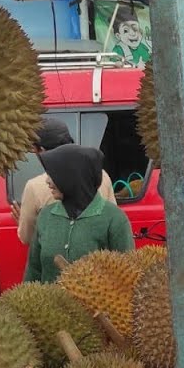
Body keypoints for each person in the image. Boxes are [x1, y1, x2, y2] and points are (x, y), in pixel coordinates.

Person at [24, 144, 133, 283]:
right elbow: (34, 271)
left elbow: (127, 277)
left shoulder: (114, 219)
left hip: (93, 305)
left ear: (73, 176)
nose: (48, 181)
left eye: (53, 175)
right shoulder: (46, 216)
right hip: (49, 304)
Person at [13, 118, 116, 247]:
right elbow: (113, 223)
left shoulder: (34, 187)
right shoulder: (102, 175)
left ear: (42, 150)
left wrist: (22, 225)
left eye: (35, 151)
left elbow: (28, 238)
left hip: (59, 262)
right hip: (98, 260)